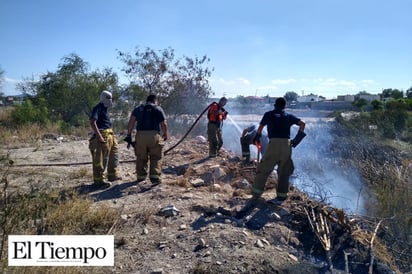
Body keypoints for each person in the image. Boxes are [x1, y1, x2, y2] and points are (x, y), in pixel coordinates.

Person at [250, 97, 306, 204]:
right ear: (284, 106)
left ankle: (256, 194)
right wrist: (297, 140)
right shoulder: (288, 116)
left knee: (264, 167)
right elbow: (303, 123)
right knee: (284, 170)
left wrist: (257, 137)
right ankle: (281, 196)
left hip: (274, 144)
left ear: (275, 105)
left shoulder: (268, 114)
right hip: (287, 144)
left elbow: (261, 127)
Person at [125, 94, 168, 185]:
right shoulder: (158, 108)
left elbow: (131, 122)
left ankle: (141, 177)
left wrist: (129, 135)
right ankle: (154, 177)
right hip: (154, 135)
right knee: (156, 156)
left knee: (141, 156)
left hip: (140, 135)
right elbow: (163, 123)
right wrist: (165, 133)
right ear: (155, 101)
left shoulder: (138, 109)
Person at [89, 90, 122, 187]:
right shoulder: (98, 108)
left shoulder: (105, 109)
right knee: (102, 159)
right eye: (108, 98)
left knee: (114, 155)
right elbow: (92, 122)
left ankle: (112, 175)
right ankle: (99, 180)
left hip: (110, 135)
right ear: (103, 98)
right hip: (103, 135)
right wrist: (99, 136)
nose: (110, 100)